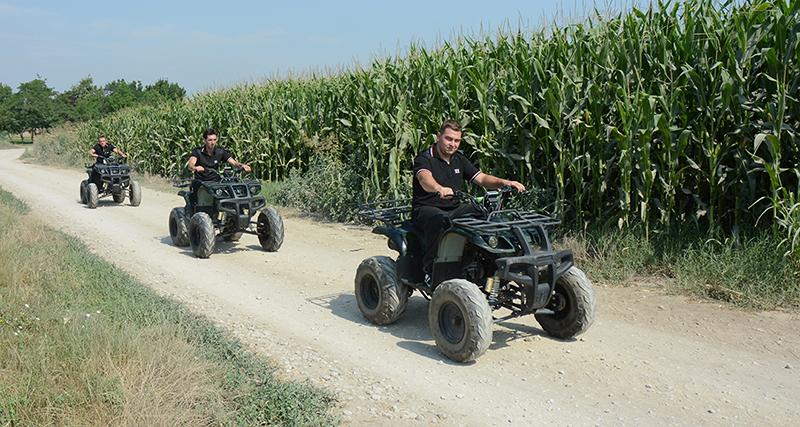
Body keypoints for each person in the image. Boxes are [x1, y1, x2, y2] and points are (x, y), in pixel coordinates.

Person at [411, 119, 526, 275]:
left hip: (454, 208)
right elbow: (425, 179)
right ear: (439, 136)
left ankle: (488, 261)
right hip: (426, 209)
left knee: (484, 211)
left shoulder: (459, 159)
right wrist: (439, 188)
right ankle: (431, 271)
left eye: (457, 140)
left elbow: (481, 178)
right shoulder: (425, 157)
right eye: (449, 139)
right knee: (440, 220)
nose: (453, 144)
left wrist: (505, 183)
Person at [187, 128, 251, 203]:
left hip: (216, 181)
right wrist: (195, 167)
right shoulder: (198, 151)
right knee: (198, 189)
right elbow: (190, 164)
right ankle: (200, 208)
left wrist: (242, 166)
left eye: (214, 140)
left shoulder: (219, 151)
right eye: (210, 140)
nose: (212, 142)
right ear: (204, 140)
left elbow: (234, 163)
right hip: (202, 181)